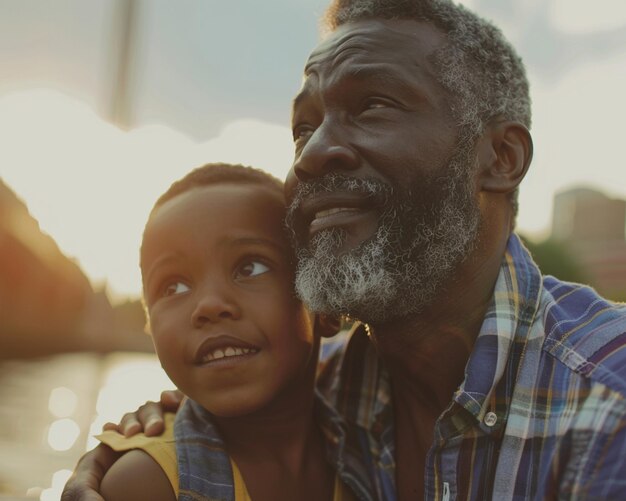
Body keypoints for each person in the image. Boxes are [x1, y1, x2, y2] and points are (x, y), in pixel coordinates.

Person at [64, 1, 626, 499]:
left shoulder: (607, 412)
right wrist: (145, 451)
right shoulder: (304, 384)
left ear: (500, 157)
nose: (311, 155)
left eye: (373, 105)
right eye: (303, 127)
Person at [91, 163, 361, 500]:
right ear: (150, 325)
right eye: (173, 286)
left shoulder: (368, 458)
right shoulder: (146, 485)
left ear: (324, 303)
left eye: (250, 267)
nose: (209, 305)